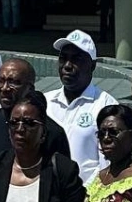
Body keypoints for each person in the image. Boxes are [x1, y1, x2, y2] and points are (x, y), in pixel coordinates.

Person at [46, 31, 116, 171]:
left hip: (88, 191)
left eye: (76, 59)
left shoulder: (107, 106)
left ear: (93, 65)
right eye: (63, 58)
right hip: (48, 190)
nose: (67, 65)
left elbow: (109, 163)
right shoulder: (45, 102)